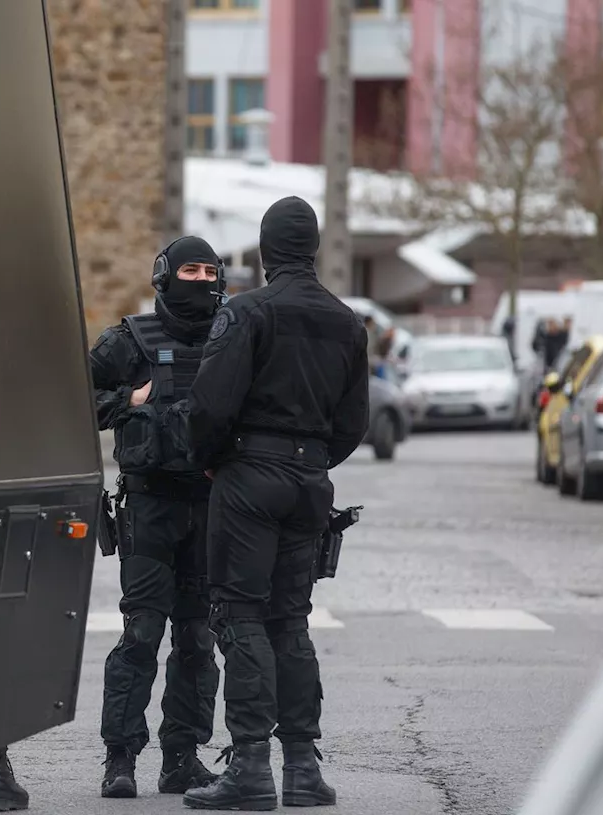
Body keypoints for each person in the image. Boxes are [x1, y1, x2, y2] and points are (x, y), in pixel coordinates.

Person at [181, 196, 370, 810]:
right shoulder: (347, 321)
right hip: (311, 478)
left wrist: (212, 458)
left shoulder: (247, 312)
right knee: (291, 620)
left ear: (264, 253)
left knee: (240, 614)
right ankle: (302, 768)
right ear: (313, 249)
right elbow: (354, 422)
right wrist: (311, 460)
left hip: (249, 474)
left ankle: (252, 768)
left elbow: (209, 405)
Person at [90, 236, 227, 798]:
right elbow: (74, 397)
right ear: (164, 275)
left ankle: (182, 757)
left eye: (209, 270)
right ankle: (120, 759)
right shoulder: (129, 340)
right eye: (189, 269)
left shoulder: (232, 335)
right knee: (142, 631)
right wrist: (129, 402)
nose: (199, 280)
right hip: (149, 507)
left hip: (211, 507)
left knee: (197, 637)